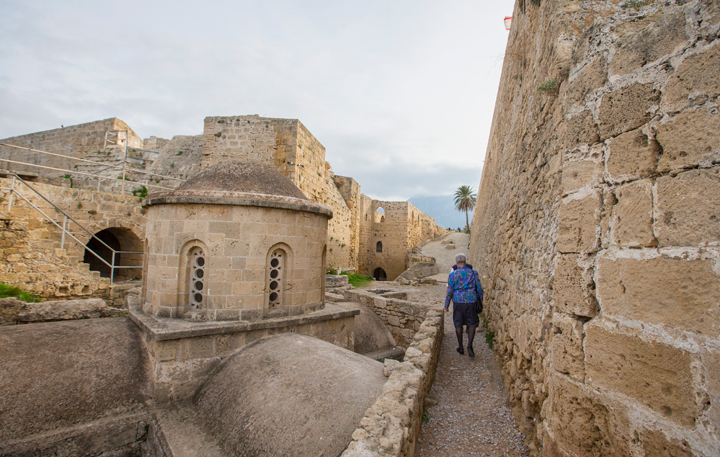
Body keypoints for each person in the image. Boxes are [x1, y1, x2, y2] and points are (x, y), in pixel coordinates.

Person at [444, 253, 483, 357]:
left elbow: (450, 291)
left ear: (456, 263)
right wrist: (481, 300)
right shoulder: (473, 273)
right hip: (471, 300)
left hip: (458, 301)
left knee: (458, 323)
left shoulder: (453, 275)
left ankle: (460, 347)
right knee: (472, 323)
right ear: (465, 262)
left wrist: (446, 304)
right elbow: (479, 288)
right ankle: (469, 345)